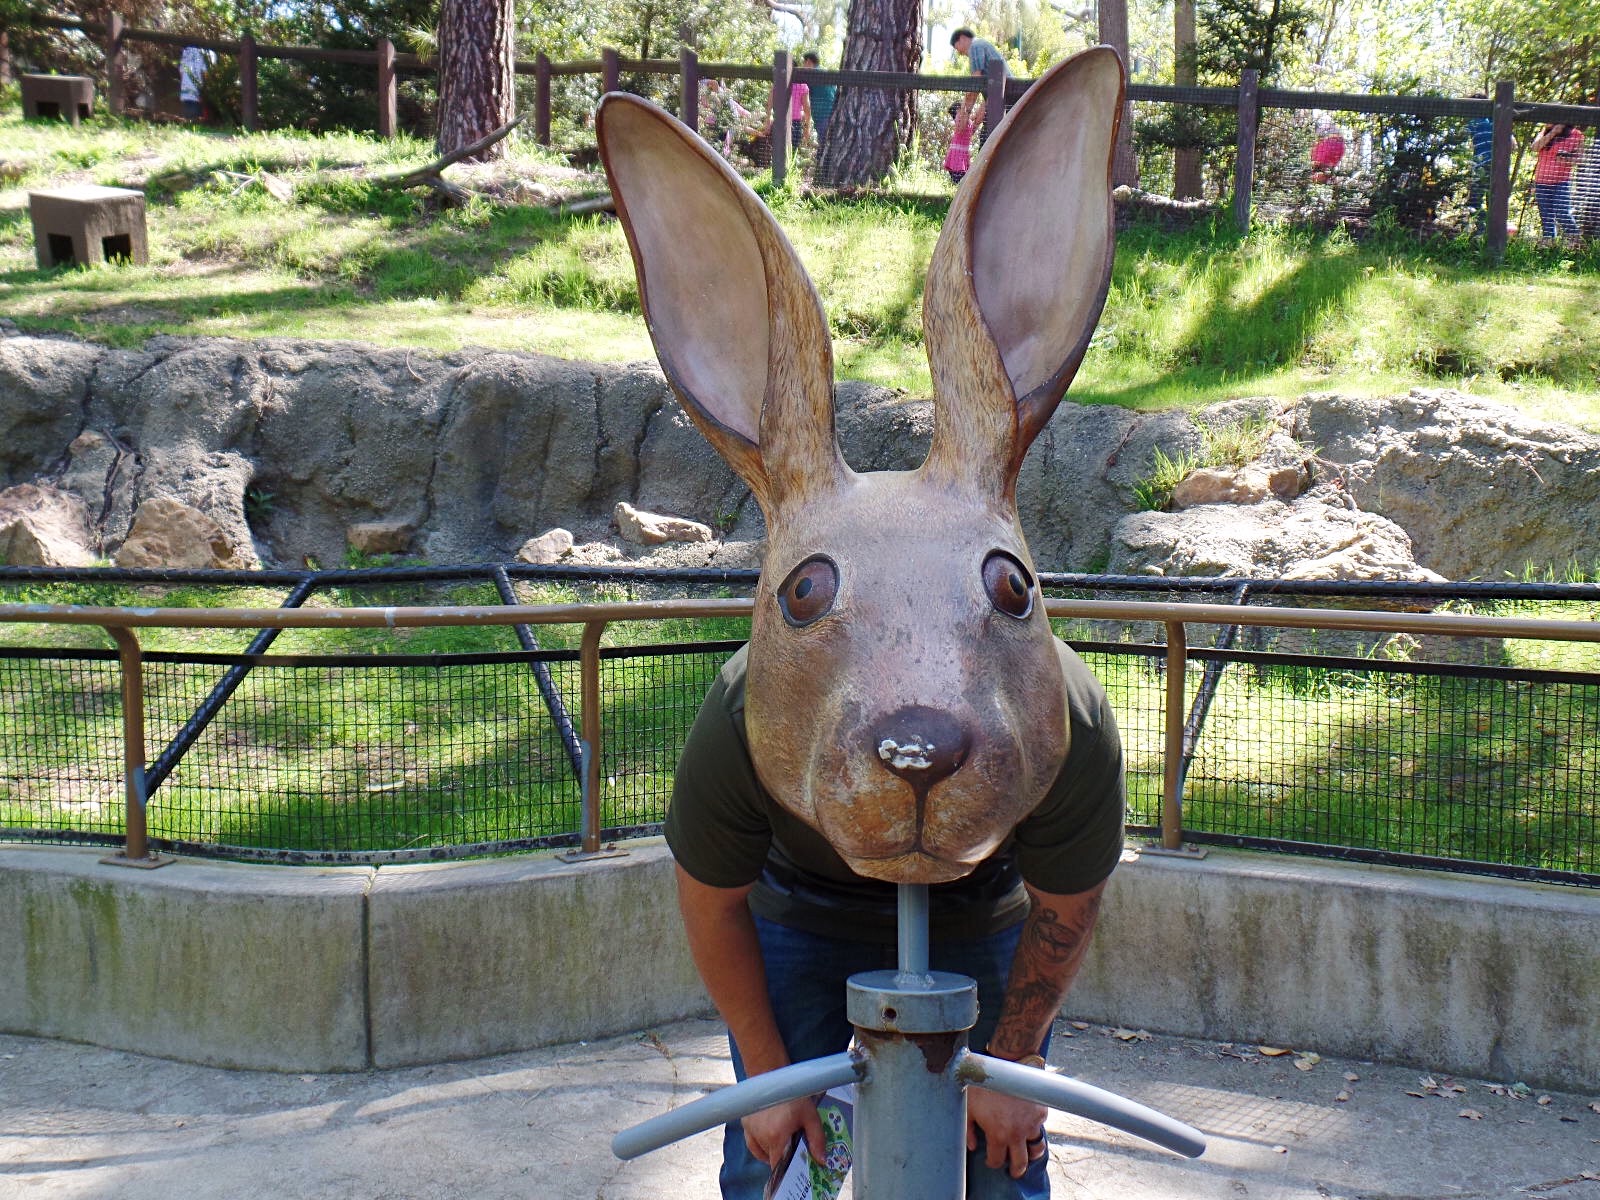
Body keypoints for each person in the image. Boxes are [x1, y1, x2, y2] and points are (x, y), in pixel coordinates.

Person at [667, 642, 1126, 1200]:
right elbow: (712, 902)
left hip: (977, 905)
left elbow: (1066, 907)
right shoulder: (757, 694)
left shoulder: (1060, 704)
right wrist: (768, 1080)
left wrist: (1012, 1065)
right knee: (773, 1150)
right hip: (803, 904)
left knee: (1003, 1150)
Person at [1532, 122, 1584, 241]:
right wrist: (1553, 132)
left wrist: (1567, 158)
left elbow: (1580, 159)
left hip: (1561, 182)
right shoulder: (1544, 132)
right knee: (1546, 217)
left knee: (1562, 212)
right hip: (1541, 182)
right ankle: (1549, 244)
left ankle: (1576, 242)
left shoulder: (1576, 135)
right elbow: (1534, 147)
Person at [951, 27, 1008, 127]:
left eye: (956, 48)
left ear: (962, 38)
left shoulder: (975, 47)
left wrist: (965, 113)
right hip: (1000, 95)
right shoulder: (980, 45)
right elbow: (987, 88)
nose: (959, 53)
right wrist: (978, 113)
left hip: (1004, 95)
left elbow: (975, 85)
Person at [1466, 94, 1495, 214]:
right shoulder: (1474, 120)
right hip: (1482, 163)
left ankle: (1483, 223)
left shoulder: (1492, 119)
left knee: (1479, 200)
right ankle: (1481, 223)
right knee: (1476, 199)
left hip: (1492, 163)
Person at [802, 52, 835, 146]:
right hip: (833, 114)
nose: (803, 66)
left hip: (822, 116)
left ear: (808, 62)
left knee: (824, 145)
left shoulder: (811, 75)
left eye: (804, 63)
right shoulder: (826, 73)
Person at [945, 100, 981, 184]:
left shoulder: (967, 121)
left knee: (961, 181)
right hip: (957, 159)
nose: (963, 113)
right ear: (956, 116)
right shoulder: (960, 123)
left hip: (961, 157)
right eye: (960, 112)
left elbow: (975, 116)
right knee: (959, 181)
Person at [179, 44, 212, 121]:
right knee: (195, 116)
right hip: (197, 90)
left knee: (188, 115)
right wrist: (205, 87)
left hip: (185, 88)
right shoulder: (203, 52)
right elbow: (205, 73)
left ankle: (189, 121)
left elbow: (181, 71)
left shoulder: (186, 51)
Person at [1309, 120, 1345, 184]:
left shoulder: (1317, 162)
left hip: (1330, 138)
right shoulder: (1328, 165)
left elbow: (1314, 148)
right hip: (1332, 139)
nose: (1315, 177)